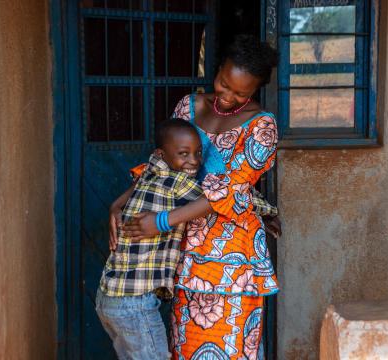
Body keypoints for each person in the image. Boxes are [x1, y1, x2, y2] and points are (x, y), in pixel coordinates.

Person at [120, 34, 280, 359]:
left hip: (232, 259)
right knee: (186, 347)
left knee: (232, 349)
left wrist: (161, 221)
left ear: (256, 90)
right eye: (224, 83)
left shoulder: (262, 128)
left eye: (241, 93)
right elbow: (164, 162)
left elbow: (227, 193)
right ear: (218, 68)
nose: (229, 96)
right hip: (185, 252)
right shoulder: (188, 106)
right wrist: (122, 200)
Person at [96, 118, 204, 360]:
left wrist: (115, 205)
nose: (194, 161)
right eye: (184, 154)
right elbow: (218, 199)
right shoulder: (177, 181)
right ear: (161, 154)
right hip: (134, 305)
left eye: (198, 153)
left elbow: (135, 185)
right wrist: (267, 210)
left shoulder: (147, 172)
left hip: (108, 300)